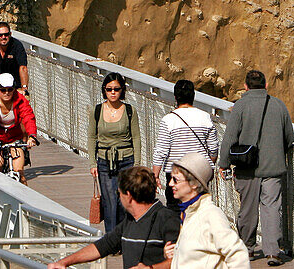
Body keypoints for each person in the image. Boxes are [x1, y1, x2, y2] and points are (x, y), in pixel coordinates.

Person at [217, 70, 294, 265]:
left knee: (248, 209)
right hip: (274, 167)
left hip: (247, 168)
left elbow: (229, 139)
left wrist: (223, 164)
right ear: (265, 85)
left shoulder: (240, 106)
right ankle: (273, 252)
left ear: (246, 86)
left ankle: (247, 249)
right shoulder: (278, 105)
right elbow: (289, 137)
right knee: (271, 208)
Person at [46, 166, 179, 269]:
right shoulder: (130, 220)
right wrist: (64, 262)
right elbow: (104, 246)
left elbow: (182, 260)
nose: (118, 197)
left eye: (118, 193)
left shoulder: (167, 219)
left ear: (128, 195)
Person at [163, 153, 249, 269]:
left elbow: (238, 254)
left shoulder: (211, 215)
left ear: (193, 184)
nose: (170, 184)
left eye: (176, 180)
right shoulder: (188, 214)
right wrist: (176, 255)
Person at [152, 80, 219, 211]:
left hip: (175, 174)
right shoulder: (205, 117)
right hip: (198, 173)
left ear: (175, 97)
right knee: (198, 211)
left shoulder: (168, 120)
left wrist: (155, 176)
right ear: (193, 96)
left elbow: (161, 151)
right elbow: (213, 148)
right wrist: (208, 164)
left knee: (175, 212)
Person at [89, 73, 143, 233]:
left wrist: (137, 164)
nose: (112, 93)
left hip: (126, 159)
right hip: (104, 161)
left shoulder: (129, 111)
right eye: (109, 89)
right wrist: (93, 163)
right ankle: (112, 237)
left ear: (122, 91)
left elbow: (136, 137)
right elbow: (92, 137)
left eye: (116, 89)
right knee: (109, 200)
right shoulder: (97, 111)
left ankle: (123, 235)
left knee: (123, 199)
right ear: (104, 90)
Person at [0, 72, 38, 183]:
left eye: (10, 89)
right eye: (3, 90)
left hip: (14, 137)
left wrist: (32, 136)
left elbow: (28, 117)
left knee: (20, 172)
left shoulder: (20, 101)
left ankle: (23, 197)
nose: (7, 93)